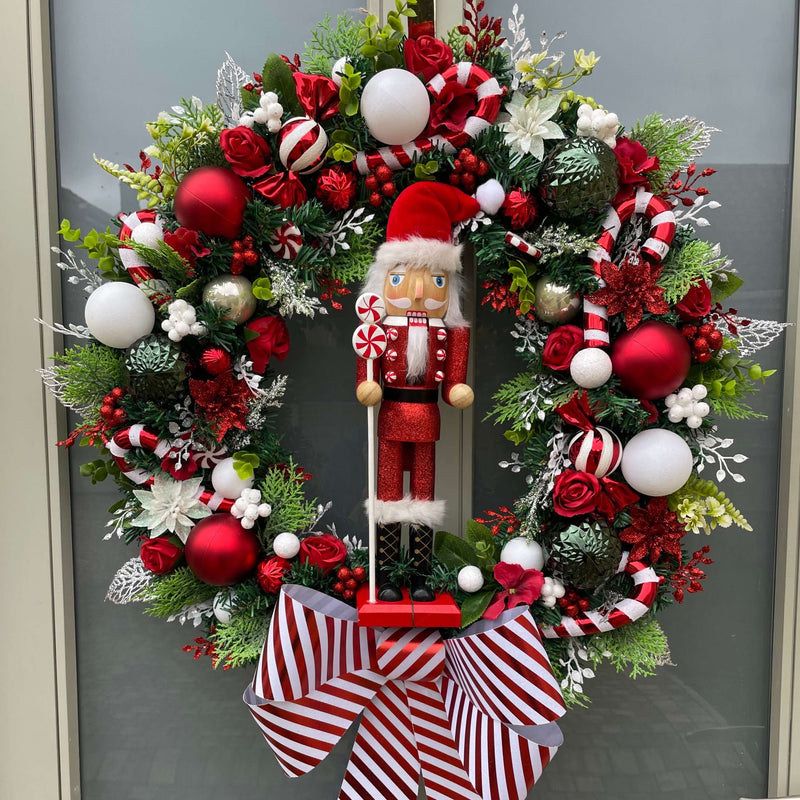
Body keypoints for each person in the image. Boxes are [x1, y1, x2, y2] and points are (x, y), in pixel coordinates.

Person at [356, 182, 480, 602]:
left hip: (427, 417)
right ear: (383, 283)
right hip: (390, 415)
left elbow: (454, 378)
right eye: (401, 278)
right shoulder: (375, 329)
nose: (419, 291)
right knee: (388, 490)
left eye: (434, 281)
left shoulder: (449, 332)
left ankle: (422, 576)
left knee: (425, 490)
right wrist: (367, 385)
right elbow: (365, 365)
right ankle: (389, 574)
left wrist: (457, 388)